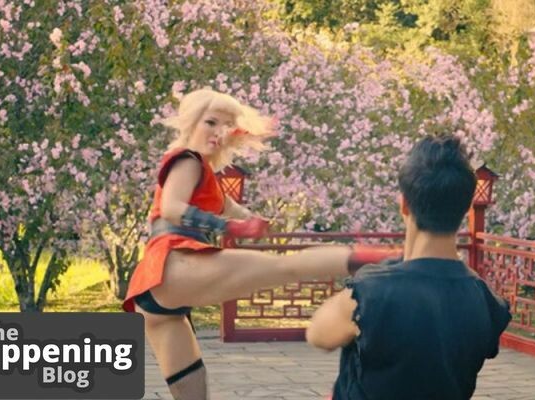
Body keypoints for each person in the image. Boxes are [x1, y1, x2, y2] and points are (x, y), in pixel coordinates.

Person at [123, 88, 399, 400]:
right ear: (192, 121)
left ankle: (379, 258)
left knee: (191, 388)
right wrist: (230, 226)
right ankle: (385, 258)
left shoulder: (205, 174)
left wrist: (252, 220)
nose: (218, 132)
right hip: (171, 264)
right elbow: (172, 208)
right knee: (286, 267)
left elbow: (230, 207)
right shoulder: (188, 160)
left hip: (157, 299)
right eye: (211, 122)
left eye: (226, 126)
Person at [306, 136, 512, 400]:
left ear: (404, 203)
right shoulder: (486, 301)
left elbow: (319, 334)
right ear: (466, 207)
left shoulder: (369, 294)